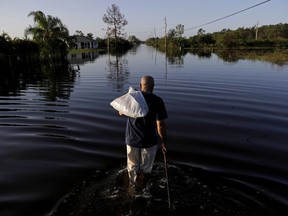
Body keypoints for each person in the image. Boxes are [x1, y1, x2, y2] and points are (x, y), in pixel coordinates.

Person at [120, 75, 168, 195]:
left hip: (131, 140)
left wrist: (127, 103)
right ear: (153, 87)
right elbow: (160, 124)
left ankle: (132, 190)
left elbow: (120, 112)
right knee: (146, 170)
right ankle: (144, 191)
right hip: (149, 142)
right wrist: (163, 142)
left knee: (132, 168)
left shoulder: (133, 98)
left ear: (140, 86)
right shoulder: (158, 101)